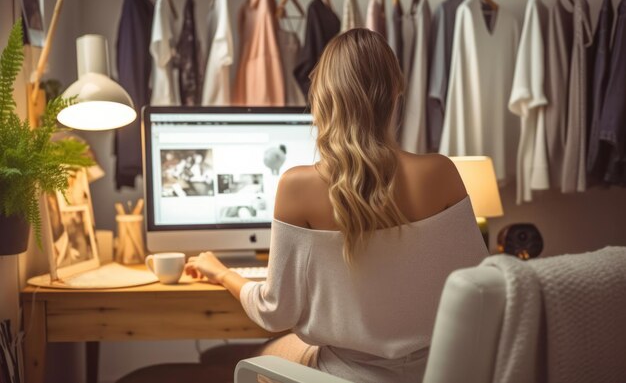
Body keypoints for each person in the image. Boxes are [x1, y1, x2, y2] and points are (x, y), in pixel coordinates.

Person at [185, 29, 487, 383]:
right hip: (434, 373)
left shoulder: (296, 186)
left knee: (262, 356)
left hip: (340, 376)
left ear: (322, 99)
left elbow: (275, 313)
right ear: (396, 92)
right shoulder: (441, 173)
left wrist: (222, 273)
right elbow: (481, 287)